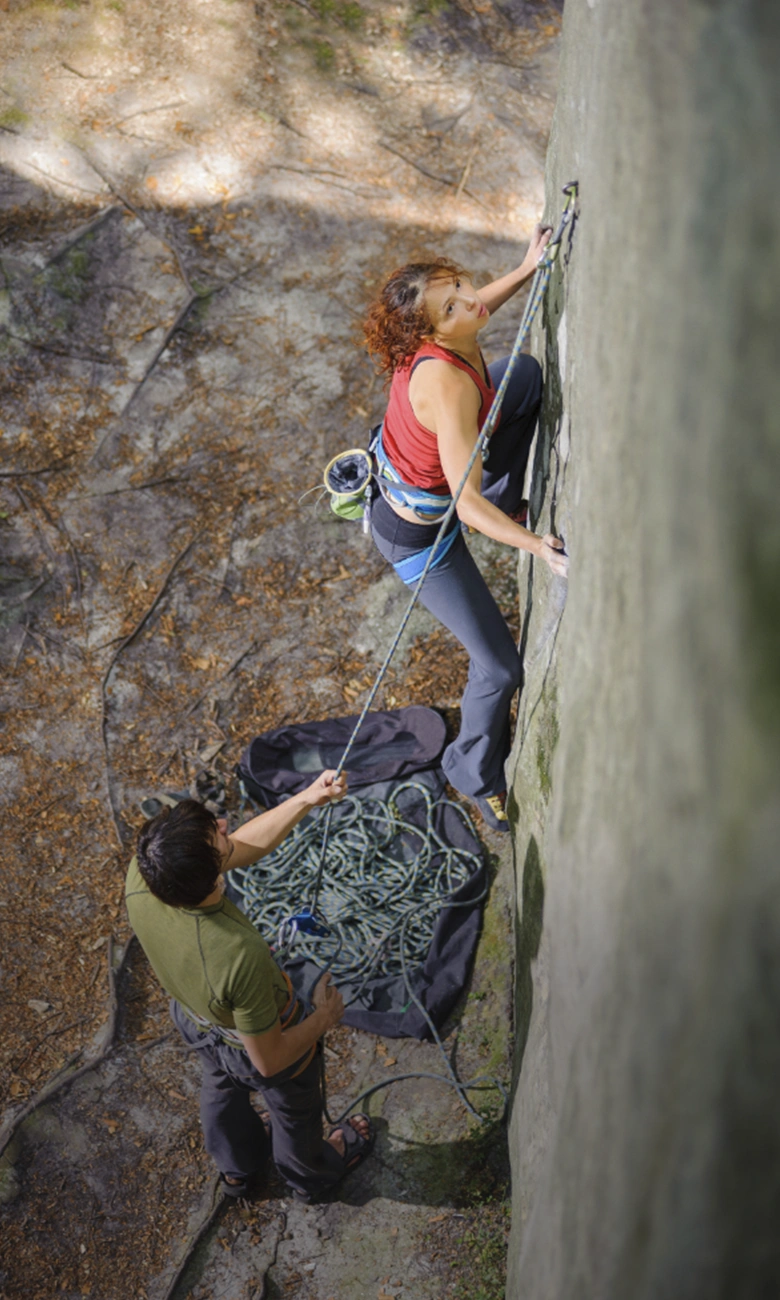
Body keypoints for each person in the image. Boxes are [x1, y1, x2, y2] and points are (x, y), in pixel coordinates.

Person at [363, 225, 568, 833]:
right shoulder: (446, 386)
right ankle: (472, 773)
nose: (469, 302)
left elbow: (476, 308)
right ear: (427, 334)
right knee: (500, 669)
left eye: (459, 286)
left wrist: (527, 267)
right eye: (450, 305)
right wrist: (533, 544)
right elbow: (467, 504)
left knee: (523, 375)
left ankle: (513, 500)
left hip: (447, 480)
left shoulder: (443, 332)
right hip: (417, 537)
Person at [125, 770, 375, 1202]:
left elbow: (239, 848)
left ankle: (237, 1171)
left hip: (195, 1018)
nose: (225, 827)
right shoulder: (237, 954)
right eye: (218, 836)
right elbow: (270, 1060)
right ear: (209, 879)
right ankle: (311, 1176)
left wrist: (308, 798)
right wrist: (323, 1019)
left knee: (220, 1086)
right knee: (294, 1110)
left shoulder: (148, 869)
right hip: (251, 1043)